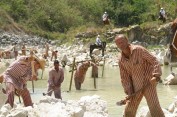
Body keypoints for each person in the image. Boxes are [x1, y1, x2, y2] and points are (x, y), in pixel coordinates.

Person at [114, 34, 165, 117]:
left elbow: (154, 60)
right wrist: (129, 91)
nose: (121, 44)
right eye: (118, 43)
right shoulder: (121, 59)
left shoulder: (139, 50)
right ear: (116, 45)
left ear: (127, 41)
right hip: (135, 86)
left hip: (149, 83)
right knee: (129, 108)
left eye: (122, 41)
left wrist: (156, 75)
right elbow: (124, 77)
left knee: (154, 106)